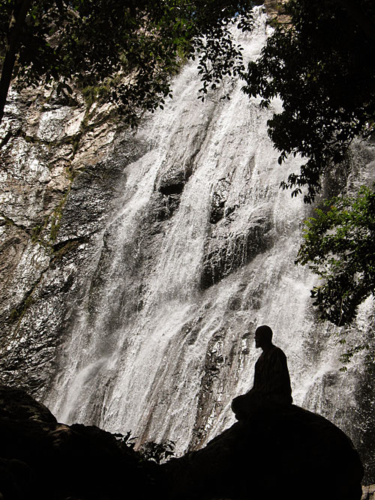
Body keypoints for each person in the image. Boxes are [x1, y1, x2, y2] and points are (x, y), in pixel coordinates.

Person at [231, 325, 292, 420]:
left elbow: (279, 380)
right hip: (263, 395)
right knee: (237, 402)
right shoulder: (261, 359)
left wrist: (261, 392)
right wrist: (250, 394)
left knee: (253, 405)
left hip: (277, 397)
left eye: (257, 335)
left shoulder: (276, 353)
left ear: (265, 337)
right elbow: (257, 384)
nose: (255, 338)